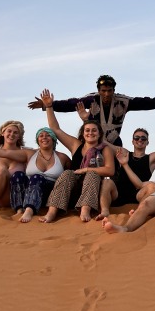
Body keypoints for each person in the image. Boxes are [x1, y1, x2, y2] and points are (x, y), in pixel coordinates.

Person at [27, 74, 155, 146]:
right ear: (99, 90)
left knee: (118, 165)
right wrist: (47, 105)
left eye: (110, 90)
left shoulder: (123, 101)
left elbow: (141, 102)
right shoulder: (91, 99)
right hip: (92, 140)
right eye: (104, 91)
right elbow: (70, 104)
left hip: (113, 140)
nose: (107, 94)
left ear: (114, 90)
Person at [39, 89, 115, 222]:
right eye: (87, 130)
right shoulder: (76, 145)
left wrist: (86, 169)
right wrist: (49, 107)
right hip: (72, 192)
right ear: (82, 133)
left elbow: (110, 170)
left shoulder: (104, 148)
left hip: (94, 192)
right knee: (68, 173)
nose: (90, 133)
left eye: (94, 131)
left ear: (99, 134)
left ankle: (85, 210)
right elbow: (55, 129)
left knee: (92, 174)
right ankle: (51, 212)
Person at [0, 127, 71, 222]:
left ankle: (29, 211)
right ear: (37, 140)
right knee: (18, 175)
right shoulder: (30, 153)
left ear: (53, 138)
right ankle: (19, 209)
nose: (44, 137)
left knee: (37, 177)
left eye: (48, 135)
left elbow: (70, 175)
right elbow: (5, 153)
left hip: (49, 194)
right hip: (30, 192)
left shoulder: (63, 157)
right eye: (41, 135)